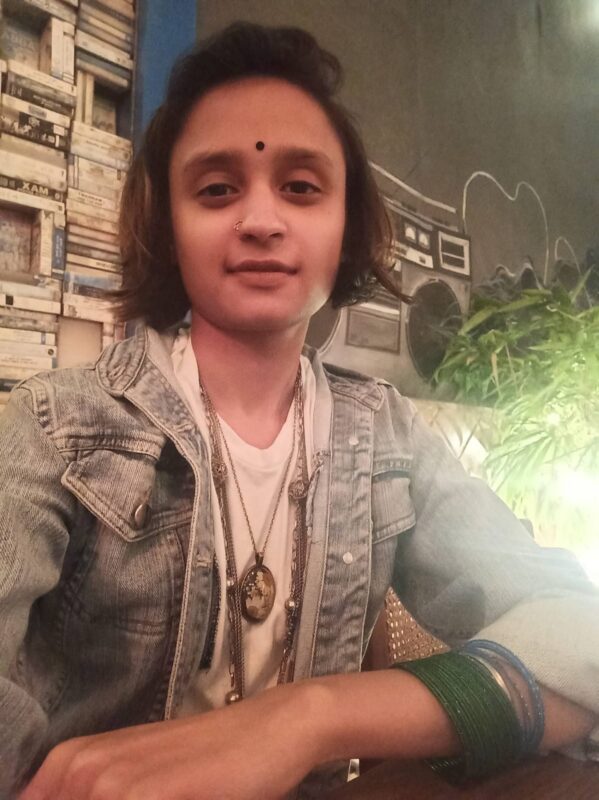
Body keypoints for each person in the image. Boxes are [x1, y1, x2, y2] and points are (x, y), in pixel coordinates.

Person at [1, 21, 598, 800]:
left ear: (346, 227)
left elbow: (577, 630)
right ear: (169, 227)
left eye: (302, 187)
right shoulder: (53, 427)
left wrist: (309, 717)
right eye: (217, 189)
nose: (260, 220)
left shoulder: (386, 436)